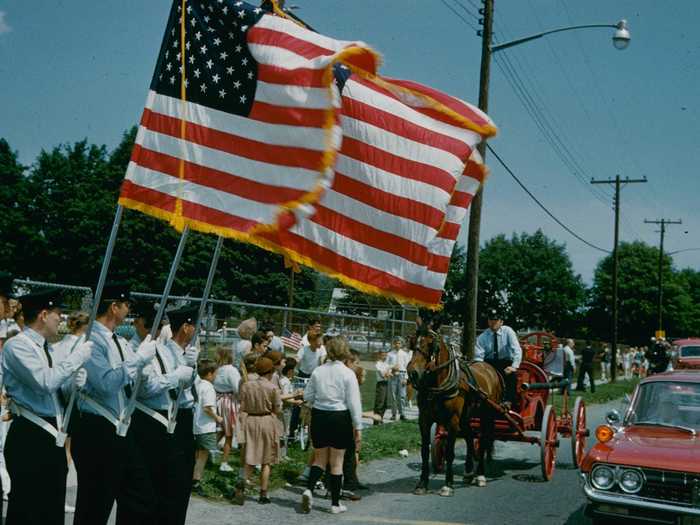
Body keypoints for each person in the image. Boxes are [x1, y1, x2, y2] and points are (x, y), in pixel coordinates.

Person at [2, 289, 92, 525]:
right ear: (43, 314)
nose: (60, 319)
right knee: (28, 512)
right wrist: (75, 360)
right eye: (57, 314)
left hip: (52, 436)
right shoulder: (17, 346)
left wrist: (75, 383)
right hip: (30, 435)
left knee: (51, 512)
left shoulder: (49, 349)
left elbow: (56, 391)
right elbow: (45, 382)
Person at [72, 283, 157, 525]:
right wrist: (137, 361)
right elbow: (106, 383)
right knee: (94, 505)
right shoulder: (90, 341)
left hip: (120, 428)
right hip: (97, 428)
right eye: (127, 304)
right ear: (114, 306)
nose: (129, 310)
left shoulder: (118, 340)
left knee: (140, 497)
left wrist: (145, 366)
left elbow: (135, 380)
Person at [129, 300, 194, 525]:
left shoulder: (163, 351)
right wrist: (177, 376)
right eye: (151, 326)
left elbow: (179, 387)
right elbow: (147, 389)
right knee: (146, 493)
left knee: (172, 488)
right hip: (148, 421)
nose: (156, 331)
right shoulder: (138, 351)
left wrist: (188, 370)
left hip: (171, 420)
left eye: (158, 326)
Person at [301, 336, 362, 515]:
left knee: (319, 458)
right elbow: (354, 403)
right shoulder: (347, 373)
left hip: (319, 415)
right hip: (339, 416)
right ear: (345, 352)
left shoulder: (318, 371)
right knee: (337, 462)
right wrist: (358, 428)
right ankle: (335, 504)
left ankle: (308, 489)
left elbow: (308, 396)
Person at [162, 306, 200, 523]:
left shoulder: (186, 354)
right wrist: (183, 370)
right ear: (185, 327)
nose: (196, 330)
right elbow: (172, 390)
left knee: (184, 481)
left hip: (186, 418)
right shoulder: (167, 354)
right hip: (173, 417)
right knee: (174, 482)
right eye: (195, 325)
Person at [238, 356, 283, 504]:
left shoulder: (246, 385)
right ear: (270, 371)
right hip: (266, 421)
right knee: (266, 460)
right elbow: (277, 409)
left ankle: (242, 484)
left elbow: (242, 406)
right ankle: (263, 493)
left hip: (250, 420)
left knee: (249, 457)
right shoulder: (273, 388)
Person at [474, 309, 522, 406]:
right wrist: (480, 368)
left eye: (496, 320)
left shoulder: (508, 332)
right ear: (488, 321)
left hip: (505, 363)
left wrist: (514, 366)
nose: (493, 322)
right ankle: (479, 401)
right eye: (491, 320)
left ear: (501, 322)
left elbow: (517, 349)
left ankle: (509, 400)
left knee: (511, 376)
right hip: (488, 364)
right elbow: (478, 356)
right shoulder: (482, 337)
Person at [192, 360, 223, 495]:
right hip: (206, 426)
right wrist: (218, 418)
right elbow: (207, 408)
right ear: (209, 374)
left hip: (195, 424)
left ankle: (191, 476)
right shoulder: (209, 387)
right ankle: (196, 480)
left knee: (196, 453)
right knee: (203, 455)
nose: (216, 376)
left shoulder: (197, 384)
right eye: (215, 373)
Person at [212, 346, 240, 472]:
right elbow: (237, 387)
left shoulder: (217, 369)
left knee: (222, 430)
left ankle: (211, 449)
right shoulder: (231, 370)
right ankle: (224, 462)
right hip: (229, 401)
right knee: (229, 432)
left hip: (218, 399)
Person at [387, 336, 410, 421]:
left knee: (402, 396)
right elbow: (386, 365)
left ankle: (402, 414)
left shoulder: (404, 354)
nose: (397, 345)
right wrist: (392, 368)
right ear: (393, 344)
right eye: (396, 343)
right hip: (393, 375)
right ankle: (393, 414)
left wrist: (406, 378)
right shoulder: (390, 354)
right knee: (393, 396)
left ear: (401, 344)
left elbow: (407, 366)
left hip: (402, 375)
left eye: (399, 343)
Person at [373, 350, 392, 424]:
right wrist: (389, 371)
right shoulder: (378, 364)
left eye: (385, 355)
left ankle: (380, 418)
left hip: (386, 383)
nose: (385, 356)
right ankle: (376, 421)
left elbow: (390, 373)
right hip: (381, 384)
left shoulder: (386, 364)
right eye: (383, 355)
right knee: (379, 403)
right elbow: (383, 375)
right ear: (379, 355)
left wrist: (390, 371)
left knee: (385, 403)